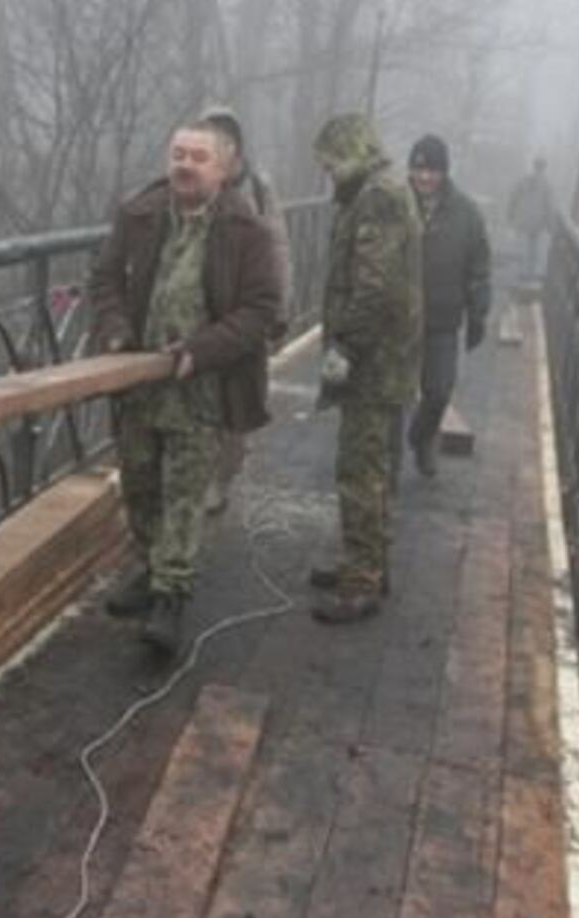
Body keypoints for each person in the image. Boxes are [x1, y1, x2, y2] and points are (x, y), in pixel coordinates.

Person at [89, 117, 286, 654]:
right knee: (140, 483)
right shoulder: (140, 215)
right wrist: (114, 332)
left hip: (199, 388)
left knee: (183, 492)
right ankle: (151, 567)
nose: (184, 165)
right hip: (137, 383)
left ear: (224, 169)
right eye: (178, 153)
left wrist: (201, 351)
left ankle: (171, 596)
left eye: (199, 157)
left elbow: (260, 310)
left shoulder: (246, 232)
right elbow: (104, 279)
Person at [308, 113, 422, 624]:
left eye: (330, 161)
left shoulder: (375, 197)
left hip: (373, 362)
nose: (328, 172)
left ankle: (363, 581)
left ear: (350, 152)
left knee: (360, 469)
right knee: (369, 465)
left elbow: (373, 285)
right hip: (387, 356)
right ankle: (368, 562)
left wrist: (346, 347)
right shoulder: (383, 191)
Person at [196, 105, 291, 517]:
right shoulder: (191, 185)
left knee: (237, 404)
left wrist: (280, 308)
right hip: (200, 313)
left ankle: (223, 476)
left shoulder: (258, 189)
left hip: (246, 313)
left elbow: (279, 249)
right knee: (200, 401)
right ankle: (199, 479)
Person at [404, 134, 491, 479]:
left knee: (438, 390)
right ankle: (383, 465)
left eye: (432, 171)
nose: (424, 178)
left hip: (442, 316)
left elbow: (479, 266)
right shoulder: (394, 204)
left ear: (444, 173)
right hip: (399, 316)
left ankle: (422, 437)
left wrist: (478, 312)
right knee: (390, 395)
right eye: (418, 169)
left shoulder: (465, 214)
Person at [507, 157, 556, 287]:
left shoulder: (523, 180)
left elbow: (513, 197)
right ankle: (531, 274)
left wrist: (511, 214)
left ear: (534, 166)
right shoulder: (546, 184)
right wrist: (550, 223)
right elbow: (549, 205)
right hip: (538, 221)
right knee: (534, 248)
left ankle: (523, 272)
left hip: (523, 219)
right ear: (544, 168)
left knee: (523, 246)